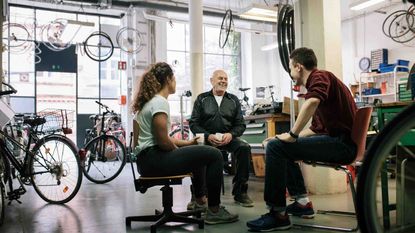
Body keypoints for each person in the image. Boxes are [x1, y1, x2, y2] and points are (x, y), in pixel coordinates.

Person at [247, 47, 358, 231]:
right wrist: (283, 137)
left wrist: (291, 135)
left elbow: (312, 102)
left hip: (342, 145)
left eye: (290, 68)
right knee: (280, 145)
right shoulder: (324, 86)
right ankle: (302, 204)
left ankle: (278, 214)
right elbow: (315, 129)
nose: (290, 72)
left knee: (276, 148)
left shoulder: (319, 76)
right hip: (342, 143)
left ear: (298, 66)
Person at [131, 62, 238, 225]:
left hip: (146, 161)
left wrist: (188, 144)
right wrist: (178, 152)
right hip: (154, 160)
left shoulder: (150, 102)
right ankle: (214, 210)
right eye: (174, 78)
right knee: (215, 154)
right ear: (168, 79)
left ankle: (200, 200)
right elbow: (163, 141)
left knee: (198, 152)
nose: (175, 82)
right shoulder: (160, 102)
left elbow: (163, 137)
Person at [189, 69, 253, 207]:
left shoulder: (233, 100)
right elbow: (193, 123)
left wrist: (231, 135)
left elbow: (240, 125)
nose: (223, 81)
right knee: (196, 152)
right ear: (212, 81)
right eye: (220, 78)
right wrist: (207, 135)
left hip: (227, 138)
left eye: (225, 79)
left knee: (244, 148)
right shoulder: (202, 98)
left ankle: (240, 192)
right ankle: (197, 194)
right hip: (207, 138)